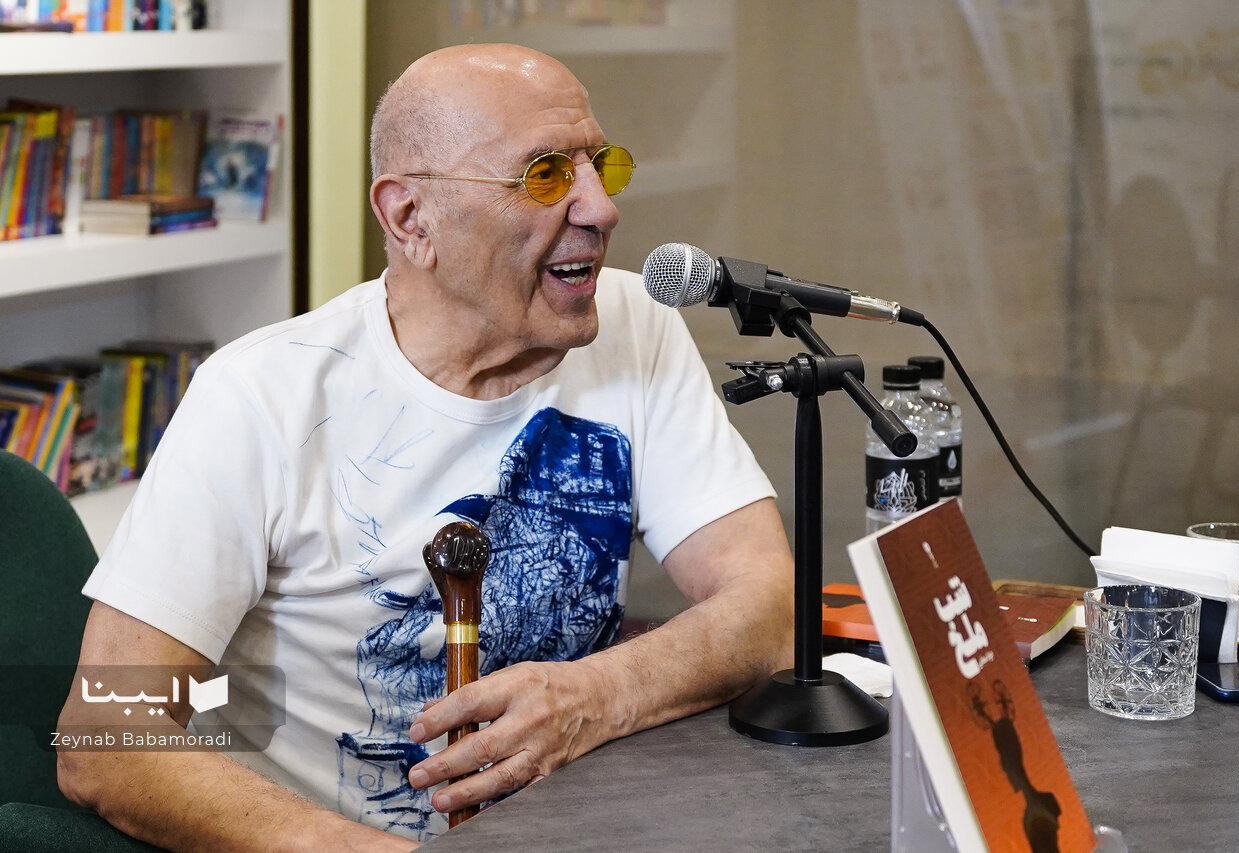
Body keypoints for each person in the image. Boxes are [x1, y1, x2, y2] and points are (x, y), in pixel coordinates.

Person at [57, 43, 793, 850]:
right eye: (546, 175)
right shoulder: (257, 398)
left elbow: (768, 607)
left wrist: (594, 694)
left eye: (600, 165)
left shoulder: (635, 326)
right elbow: (104, 740)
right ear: (411, 218)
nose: (601, 208)